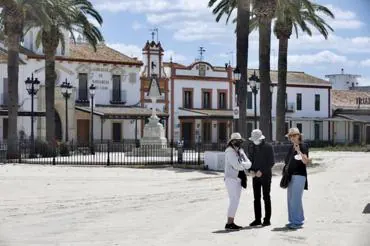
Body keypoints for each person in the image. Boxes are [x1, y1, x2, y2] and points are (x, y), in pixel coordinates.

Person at [224, 132, 252, 230]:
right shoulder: (229, 151)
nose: (238, 142)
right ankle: (229, 223)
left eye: (239, 141)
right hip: (231, 178)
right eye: (236, 141)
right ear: (231, 142)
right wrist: (244, 165)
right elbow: (237, 166)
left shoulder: (240, 150)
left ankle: (231, 222)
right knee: (234, 200)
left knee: (236, 200)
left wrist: (243, 164)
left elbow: (249, 163)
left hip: (239, 178)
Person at [248, 129, 275, 227]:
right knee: (256, 198)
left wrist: (262, 171)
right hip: (255, 176)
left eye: (256, 140)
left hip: (266, 175)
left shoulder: (268, 147)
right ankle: (257, 219)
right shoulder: (251, 147)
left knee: (266, 197)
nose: (255, 142)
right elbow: (249, 160)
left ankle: (267, 220)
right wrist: (250, 170)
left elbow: (271, 162)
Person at [284, 128, 310, 229]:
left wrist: (298, 150)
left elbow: (305, 161)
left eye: (294, 135)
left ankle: (297, 221)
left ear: (299, 136)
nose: (292, 138)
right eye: (290, 136)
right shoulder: (291, 148)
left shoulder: (303, 146)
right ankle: (292, 220)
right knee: (290, 200)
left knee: (296, 199)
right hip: (290, 176)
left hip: (299, 176)